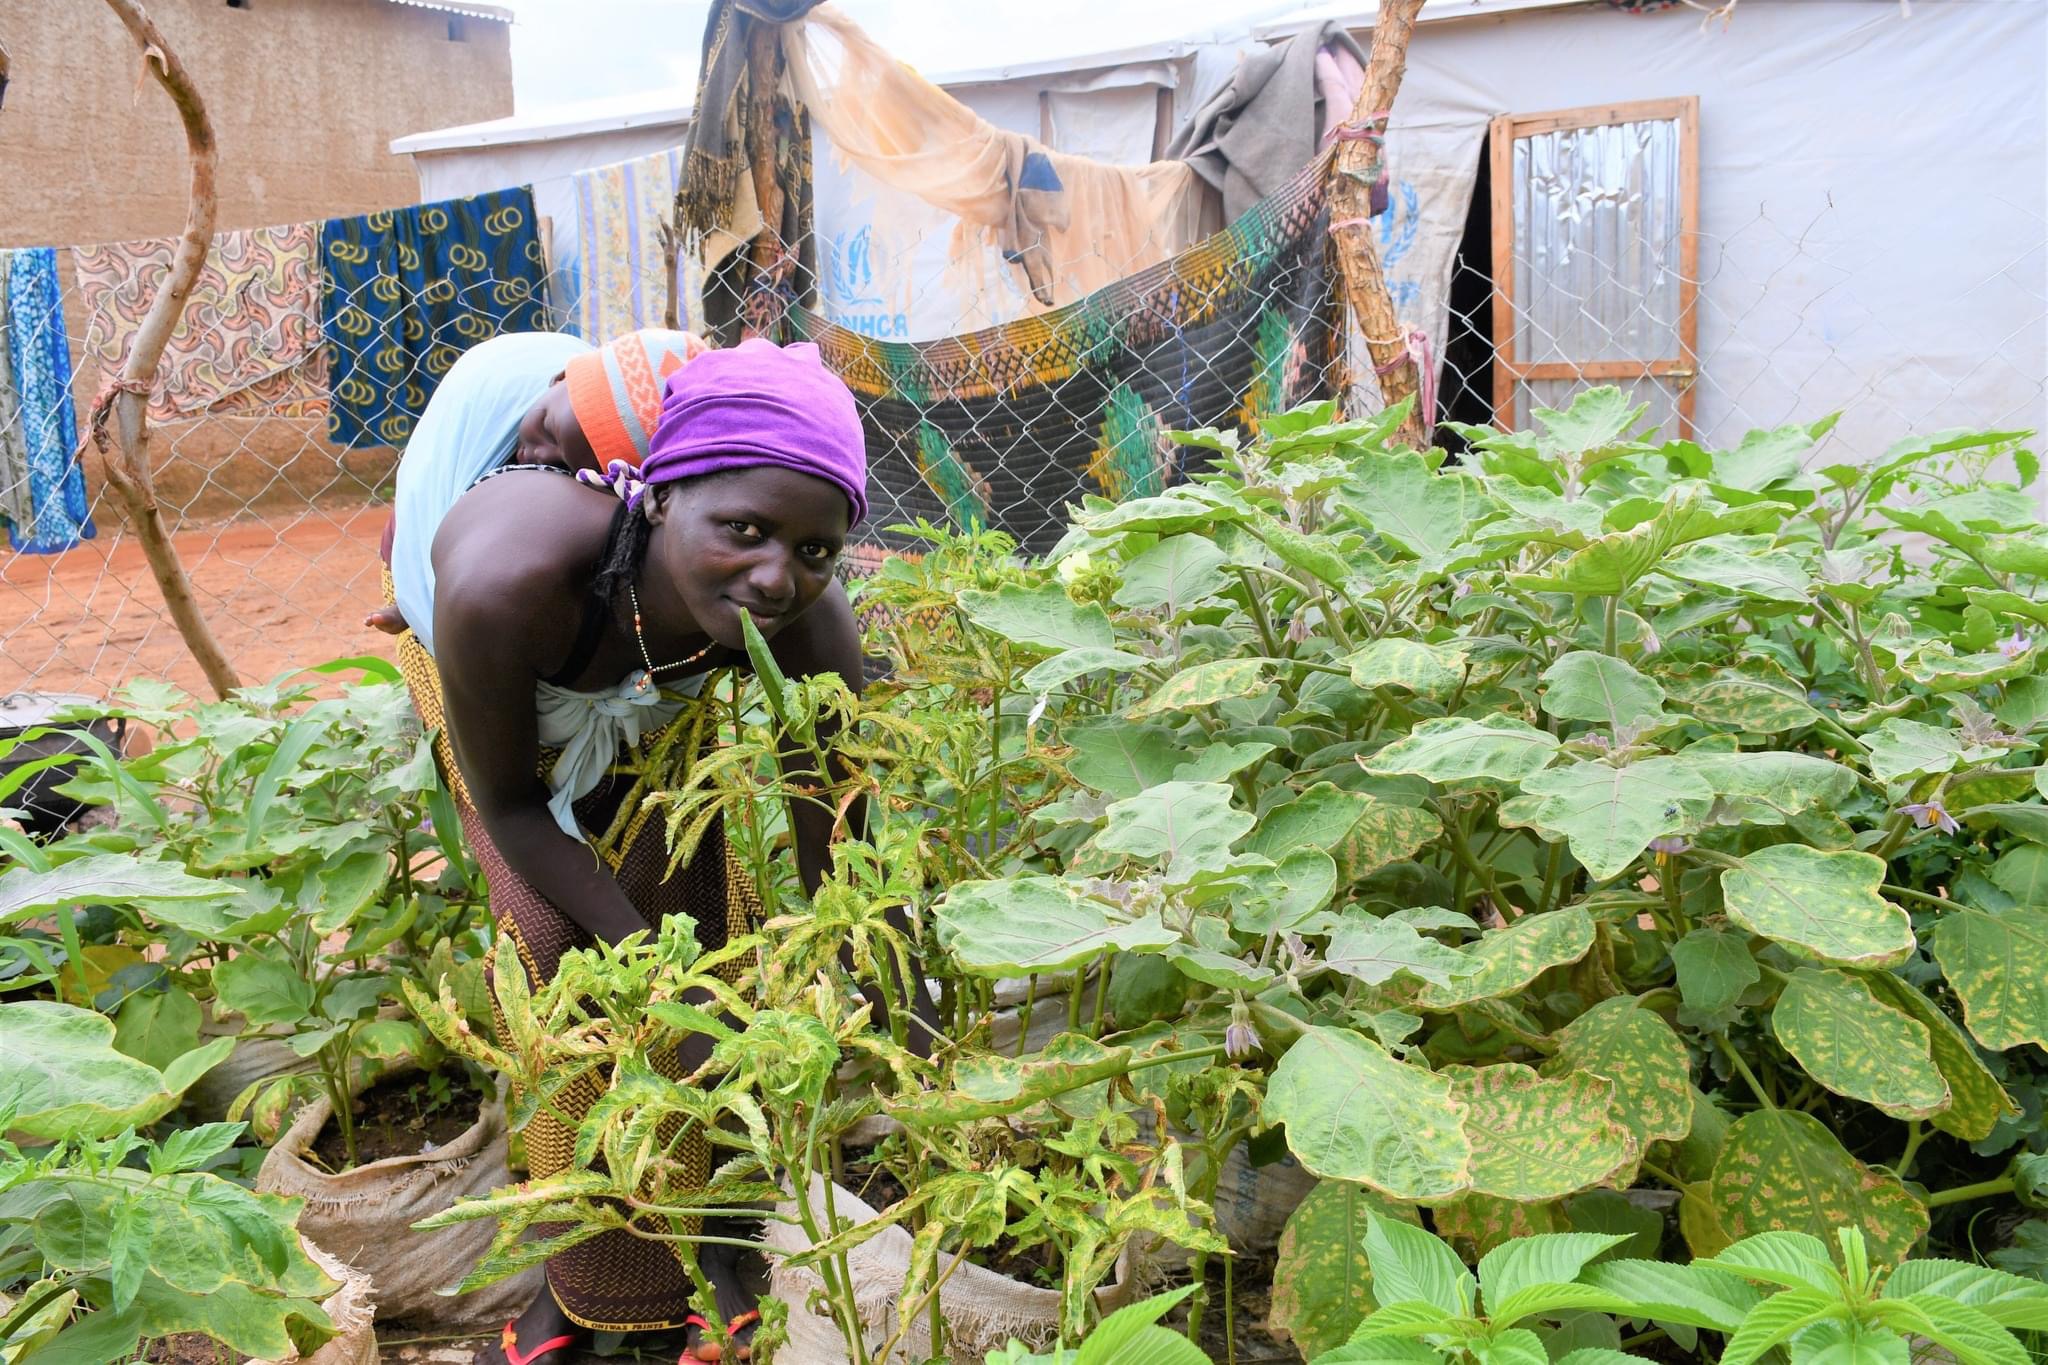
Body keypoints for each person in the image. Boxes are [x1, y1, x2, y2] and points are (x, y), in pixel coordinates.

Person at [389, 337, 929, 1363]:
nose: (778, 576)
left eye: (815, 551)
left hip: (648, 651)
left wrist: (866, 965)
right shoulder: (507, 580)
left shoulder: (799, 607)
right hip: (493, 662)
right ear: (652, 495)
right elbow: (513, 809)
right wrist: (661, 982)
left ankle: (722, 1242)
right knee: (559, 949)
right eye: (744, 530)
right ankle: (590, 1280)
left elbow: (833, 811)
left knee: (699, 915)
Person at [367, 326, 705, 638]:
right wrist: (421, 595)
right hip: (429, 512)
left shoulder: (607, 479)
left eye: (564, 464)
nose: (539, 455)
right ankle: (414, 596)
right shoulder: (493, 395)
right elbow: (432, 492)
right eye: (547, 430)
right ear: (559, 379)